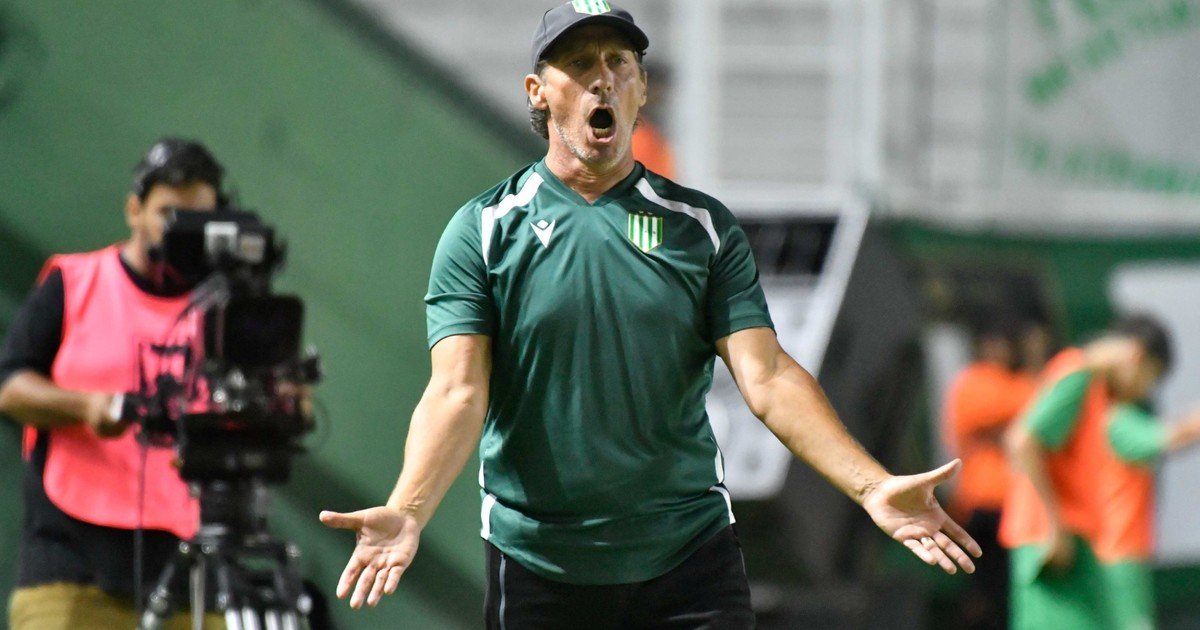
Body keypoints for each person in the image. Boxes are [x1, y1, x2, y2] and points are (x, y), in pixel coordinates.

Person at [320, 3, 980, 627]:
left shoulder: (702, 229)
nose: (601, 79)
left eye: (619, 63)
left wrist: (870, 486)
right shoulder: (483, 231)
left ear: (640, 90)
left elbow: (769, 377)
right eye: (579, 64)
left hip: (687, 562)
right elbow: (457, 391)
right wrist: (409, 509)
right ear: (537, 92)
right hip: (538, 566)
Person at [0, 138, 226, 629]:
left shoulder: (225, 310)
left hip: (190, 575)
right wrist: (86, 406)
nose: (182, 230)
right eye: (168, 212)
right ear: (134, 210)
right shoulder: (74, 280)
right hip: (71, 570)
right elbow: (11, 386)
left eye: (199, 218)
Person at [1002, 314, 1200, 629]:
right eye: (1149, 377)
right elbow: (1023, 441)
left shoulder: (1095, 391)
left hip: (1076, 541)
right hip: (1052, 541)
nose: (1143, 390)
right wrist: (1054, 524)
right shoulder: (1080, 372)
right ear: (1136, 355)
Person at [943, 317, 1038, 629]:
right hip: (982, 501)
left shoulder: (1018, 381)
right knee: (981, 587)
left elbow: (1034, 406)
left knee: (1012, 588)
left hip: (1017, 503)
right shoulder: (974, 381)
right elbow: (1018, 408)